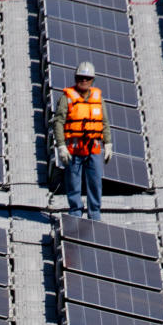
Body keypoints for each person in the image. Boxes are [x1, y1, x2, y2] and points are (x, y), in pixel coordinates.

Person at [53, 61, 113, 221]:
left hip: (93, 149)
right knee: (73, 184)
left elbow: (104, 122)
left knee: (95, 183)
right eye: (80, 78)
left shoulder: (98, 99)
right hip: (73, 150)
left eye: (87, 78)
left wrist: (108, 143)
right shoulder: (67, 98)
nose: (83, 81)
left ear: (92, 80)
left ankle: (95, 215)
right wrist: (61, 145)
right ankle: (75, 214)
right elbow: (58, 122)